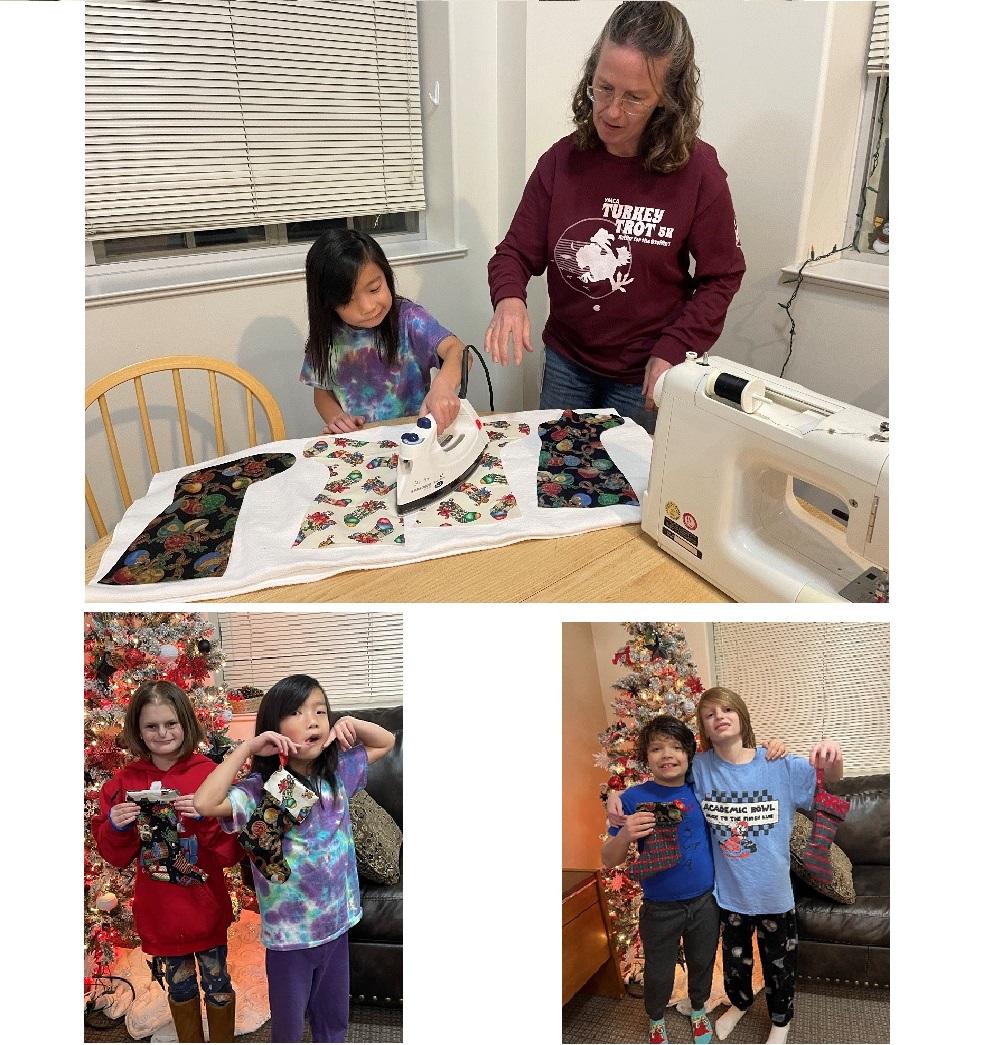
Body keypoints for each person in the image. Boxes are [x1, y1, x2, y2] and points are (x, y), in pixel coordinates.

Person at [485, 1, 745, 432]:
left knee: (627, 488)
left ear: (668, 98)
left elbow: (722, 276)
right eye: (603, 88)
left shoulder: (698, 172)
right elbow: (514, 252)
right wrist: (509, 297)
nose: (610, 111)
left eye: (634, 98)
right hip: (568, 362)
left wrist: (677, 347)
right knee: (556, 480)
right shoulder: (561, 161)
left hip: (646, 368)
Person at [194, 675, 396, 1043]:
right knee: (288, 1031)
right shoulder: (259, 790)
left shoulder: (338, 773)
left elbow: (387, 741)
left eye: (320, 710)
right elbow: (205, 803)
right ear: (274, 729)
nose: (313, 720)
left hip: (337, 924)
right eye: (298, 712)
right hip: (291, 939)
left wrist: (353, 724)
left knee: (334, 1024)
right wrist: (246, 749)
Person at [604, 719, 787, 1045]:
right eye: (657, 748)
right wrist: (625, 829)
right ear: (646, 756)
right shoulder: (633, 798)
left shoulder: (701, 786)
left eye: (676, 747)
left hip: (705, 901)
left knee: (702, 962)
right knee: (659, 970)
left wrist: (769, 748)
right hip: (660, 907)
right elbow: (608, 858)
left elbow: (739, 771)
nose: (667, 755)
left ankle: (699, 1009)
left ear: (690, 754)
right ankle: (656, 1018)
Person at [92, 681, 243, 1042]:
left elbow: (232, 851)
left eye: (170, 723)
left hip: (204, 908)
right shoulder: (123, 782)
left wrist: (208, 817)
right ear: (138, 731)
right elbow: (114, 854)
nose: (162, 733)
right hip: (160, 912)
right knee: (179, 987)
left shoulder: (210, 773)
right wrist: (116, 824)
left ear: (186, 723)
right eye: (151, 726)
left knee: (218, 983)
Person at [690, 687, 843, 1045]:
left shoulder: (778, 765)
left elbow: (830, 780)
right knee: (735, 963)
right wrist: (619, 797)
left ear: (742, 716)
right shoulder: (699, 768)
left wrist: (832, 755)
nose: (720, 717)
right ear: (704, 726)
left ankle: (780, 1021)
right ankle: (739, 1004)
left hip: (773, 892)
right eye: (710, 714)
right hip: (728, 894)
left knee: (779, 966)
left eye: (727, 709)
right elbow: (664, 782)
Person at [301, 228, 467, 434]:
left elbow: (458, 351)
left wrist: (442, 386)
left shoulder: (408, 319)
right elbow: (322, 394)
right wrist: (337, 418)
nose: (368, 307)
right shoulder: (327, 337)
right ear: (328, 304)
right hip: (362, 442)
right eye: (347, 300)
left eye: (374, 289)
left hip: (418, 436)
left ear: (386, 277)